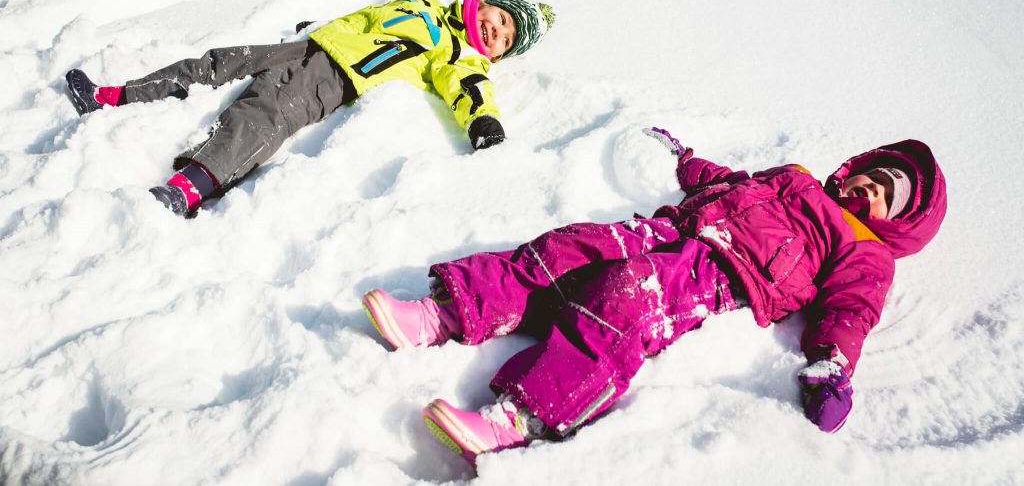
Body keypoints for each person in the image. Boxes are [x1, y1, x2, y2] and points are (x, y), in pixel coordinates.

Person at [361, 131, 947, 464]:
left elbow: (853, 309)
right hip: (670, 230)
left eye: (885, 196)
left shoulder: (865, 250)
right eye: (873, 175)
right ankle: (444, 314)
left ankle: (522, 416)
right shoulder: (794, 177)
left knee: (623, 303)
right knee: (569, 249)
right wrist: (688, 162)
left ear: (895, 223)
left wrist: (832, 365)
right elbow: (731, 183)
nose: (868, 189)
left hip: (719, 274)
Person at [64, 0, 555, 216]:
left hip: (335, 79)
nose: (497, 32)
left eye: (507, 41)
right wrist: (319, 27)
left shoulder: (460, 54)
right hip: (314, 46)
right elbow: (370, 20)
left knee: (261, 118)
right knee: (217, 65)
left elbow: (469, 90)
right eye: (503, 19)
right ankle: (114, 98)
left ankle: (186, 190)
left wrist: (485, 123)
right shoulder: (427, 5)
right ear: (490, 3)